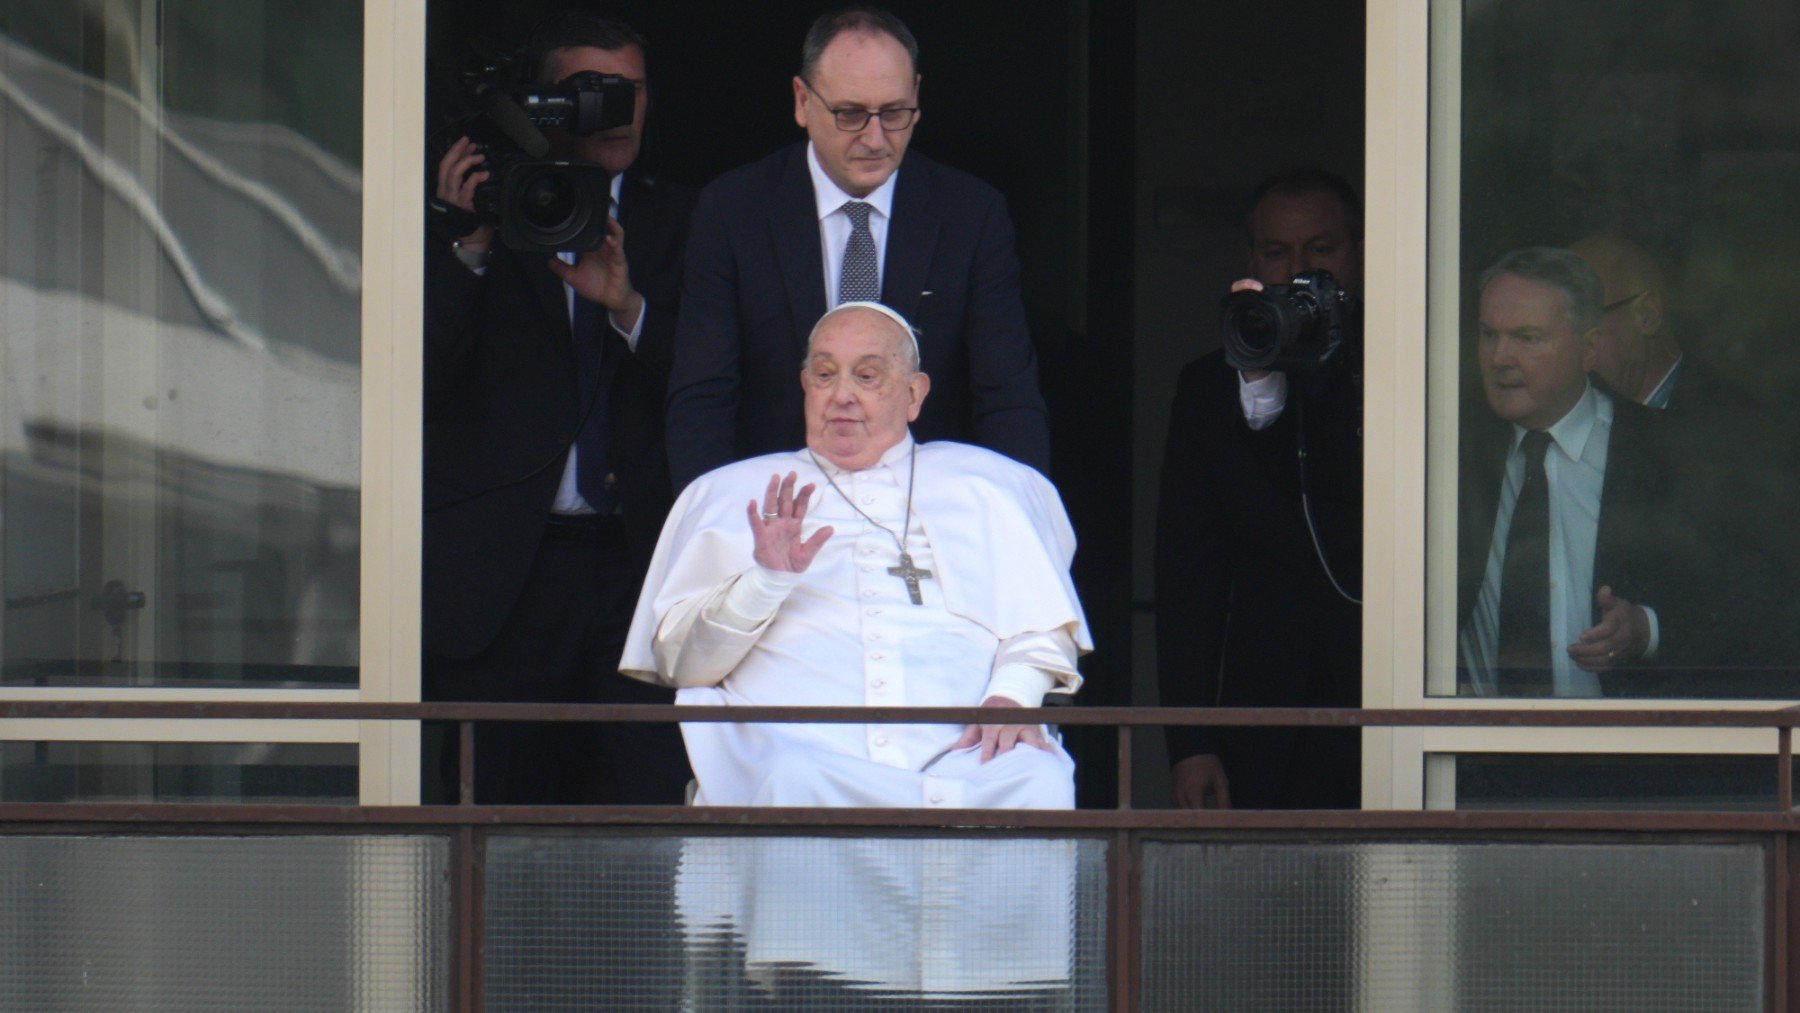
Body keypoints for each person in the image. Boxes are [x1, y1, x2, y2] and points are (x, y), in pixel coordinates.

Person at [621, 302, 1089, 808]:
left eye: (867, 376)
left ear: (914, 394)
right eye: (824, 375)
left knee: (1038, 780)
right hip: (803, 757)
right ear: (805, 386)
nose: (841, 395)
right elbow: (681, 664)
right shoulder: (729, 493)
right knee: (789, 781)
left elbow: (1040, 626)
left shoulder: (988, 484)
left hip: (966, 758)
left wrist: (1013, 696)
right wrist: (764, 582)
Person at [422, 12, 693, 804]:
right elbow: (423, 385)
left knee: (665, 816)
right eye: (592, 94)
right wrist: (467, 242)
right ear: (545, 106)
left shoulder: (689, 219)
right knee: (485, 821)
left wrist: (628, 306)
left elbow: (716, 384)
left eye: (632, 93)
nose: (618, 112)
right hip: (508, 582)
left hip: (642, 572)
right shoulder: (492, 217)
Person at [665, 6, 1050, 492]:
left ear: (916, 97)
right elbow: (704, 397)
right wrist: (711, 530)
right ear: (803, 102)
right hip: (773, 509)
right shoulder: (732, 211)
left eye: (893, 113)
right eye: (849, 114)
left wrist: (1022, 522)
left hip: (926, 512)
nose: (875, 138)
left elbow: (1006, 396)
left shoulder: (971, 215)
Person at [1155, 168, 1364, 810]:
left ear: (1358, 253)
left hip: (1384, 711)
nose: (1299, 271)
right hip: (1256, 721)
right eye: (1278, 253)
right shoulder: (1205, 388)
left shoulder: (1405, 365)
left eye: (1321, 250)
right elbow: (1189, 576)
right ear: (1252, 261)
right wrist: (1190, 741)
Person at [1456, 247, 1715, 697]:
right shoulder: (1446, 447)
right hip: (1462, 756)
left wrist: (1646, 630)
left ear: (1589, 347)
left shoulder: (1664, 456)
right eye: (1488, 334)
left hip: (1615, 753)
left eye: (1527, 337)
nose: (1500, 357)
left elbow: (1742, 605)